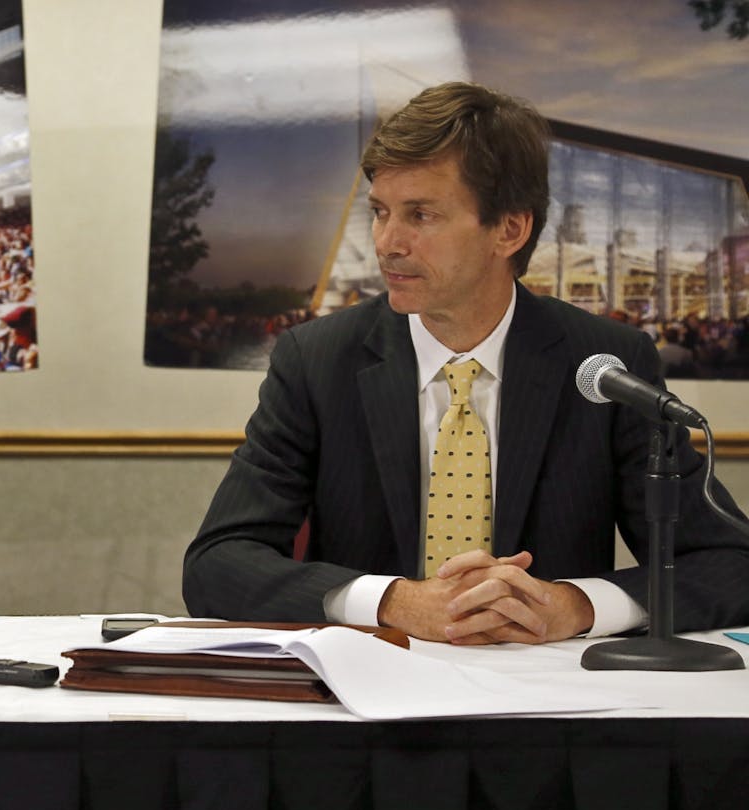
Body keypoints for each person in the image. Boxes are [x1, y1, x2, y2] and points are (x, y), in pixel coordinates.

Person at [184, 82, 749, 644]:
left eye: (421, 215)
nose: (387, 242)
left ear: (509, 229)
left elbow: (730, 563)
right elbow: (218, 562)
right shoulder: (316, 359)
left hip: (549, 706)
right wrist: (389, 601)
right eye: (380, 212)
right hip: (367, 701)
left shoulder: (604, 364)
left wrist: (578, 605)